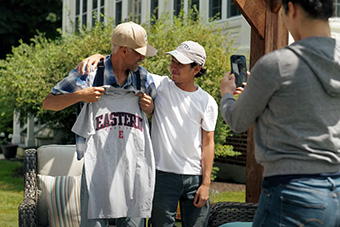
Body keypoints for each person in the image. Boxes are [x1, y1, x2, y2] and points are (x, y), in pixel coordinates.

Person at [220, 0, 340, 226]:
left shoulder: (277, 65)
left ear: (291, 8)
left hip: (292, 192)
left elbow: (237, 120)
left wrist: (227, 94)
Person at [79, 41, 218, 227]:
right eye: (173, 61)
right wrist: (99, 57)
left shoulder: (207, 102)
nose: (173, 67)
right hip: (162, 175)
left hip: (195, 177)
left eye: (180, 64)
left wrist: (206, 184)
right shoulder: (160, 85)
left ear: (196, 69)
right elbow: (125, 63)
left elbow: (208, 144)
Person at [43, 21, 158, 227]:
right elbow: (49, 103)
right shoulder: (89, 74)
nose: (143, 57)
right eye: (139, 53)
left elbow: (158, 111)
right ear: (123, 51)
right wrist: (80, 96)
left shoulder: (143, 77)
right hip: (98, 167)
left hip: (134, 166)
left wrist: (149, 109)